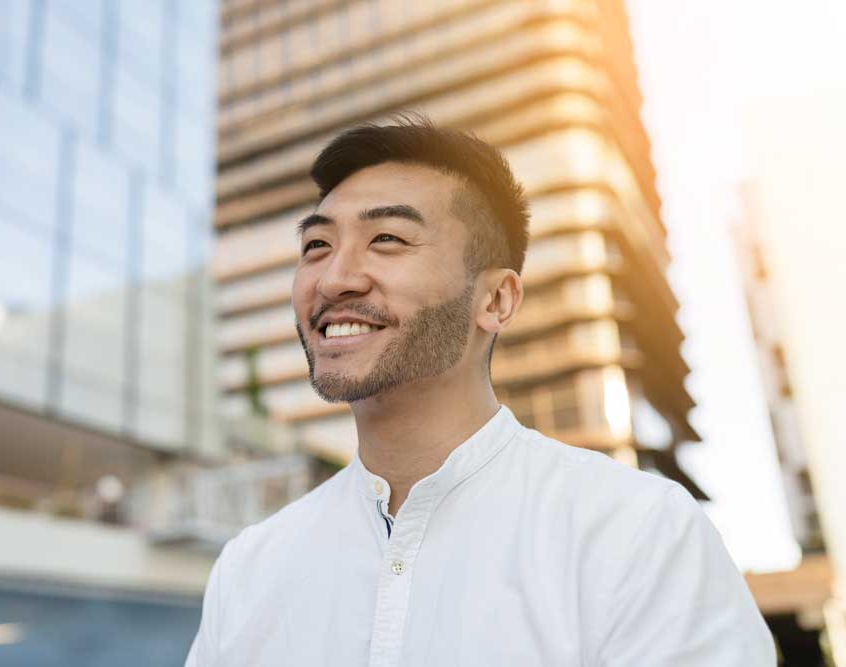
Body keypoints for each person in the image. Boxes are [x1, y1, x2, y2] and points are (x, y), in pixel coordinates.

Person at [185, 118, 774, 666]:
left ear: (496, 300)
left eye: (387, 238)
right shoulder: (248, 567)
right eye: (316, 245)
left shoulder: (637, 532)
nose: (335, 278)